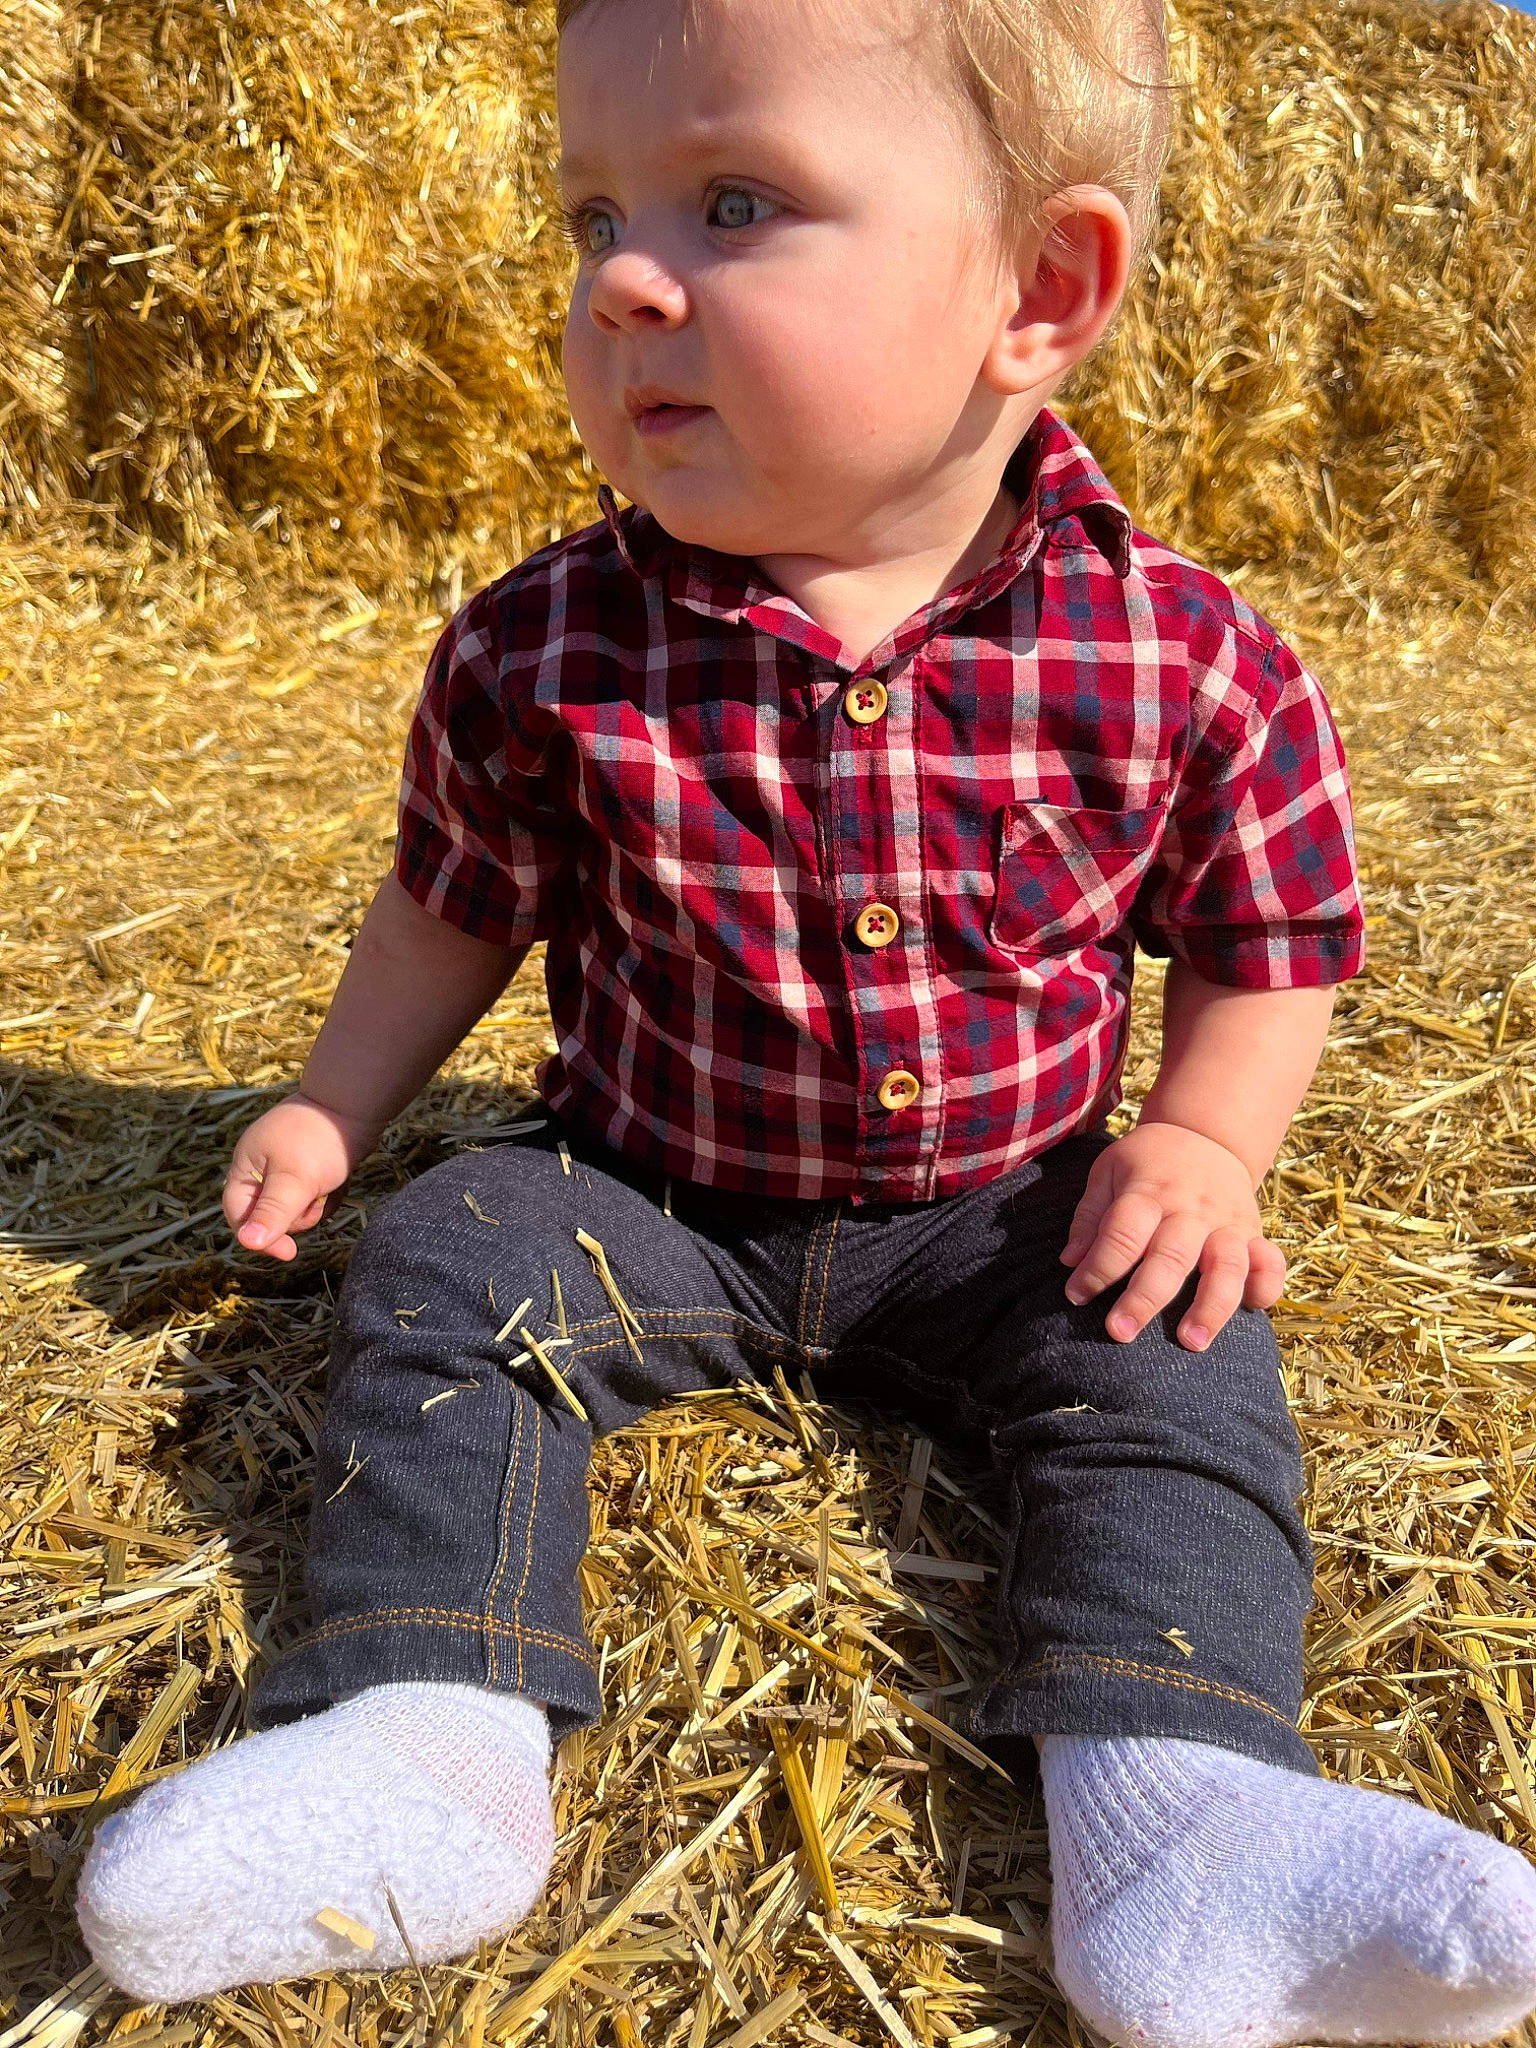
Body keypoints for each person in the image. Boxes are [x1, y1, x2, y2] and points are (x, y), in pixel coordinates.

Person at [76, 0, 1536, 2038]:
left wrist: (1202, 1145)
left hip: (1009, 1207)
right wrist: (333, 1110)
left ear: (1038, 292)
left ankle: (1185, 1816)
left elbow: (1267, 933)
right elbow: (448, 908)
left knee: (1184, 1348)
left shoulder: (1184, 653)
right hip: (645, 1185)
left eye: (734, 201)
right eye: (594, 212)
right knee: (443, 1262)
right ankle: (429, 1741)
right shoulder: (541, 644)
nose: (624, 279)